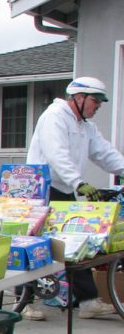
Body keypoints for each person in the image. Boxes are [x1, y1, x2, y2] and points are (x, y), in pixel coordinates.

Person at [24, 76, 124, 320]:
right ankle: (24, 300)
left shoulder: (85, 126)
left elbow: (105, 153)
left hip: (65, 188)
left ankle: (88, 301)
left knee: (75, 243)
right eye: (95, 101)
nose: (98, 106)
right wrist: (78, 182)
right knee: (32, 244)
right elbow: (55, 154)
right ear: (79, 98)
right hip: (41, 187)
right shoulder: (54, 116)